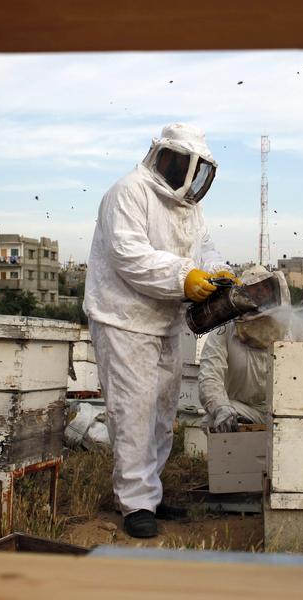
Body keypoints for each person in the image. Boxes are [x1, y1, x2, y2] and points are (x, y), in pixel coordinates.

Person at [84, 123, 237, 538]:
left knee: (161, 412)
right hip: (123, 318)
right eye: (183, 162)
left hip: (164, 320)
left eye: (197, 167)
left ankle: (149, 491)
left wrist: (217, 269)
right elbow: (129, 255)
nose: (189, 173)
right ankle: (134, 502)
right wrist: (183, 277)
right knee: (133, 411)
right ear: (166, 156)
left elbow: (203, 247)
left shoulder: (189, 206)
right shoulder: (128, 191)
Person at [198, 266, 303, 433]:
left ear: (275, 291)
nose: (260, 292)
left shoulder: (296, 326)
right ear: (243, 292)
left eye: (266, 287)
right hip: (243, 409)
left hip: (285, 409)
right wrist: (221, 407)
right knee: (213, 418)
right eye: (254, 287)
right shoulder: (224, 329)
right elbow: (210, 374)